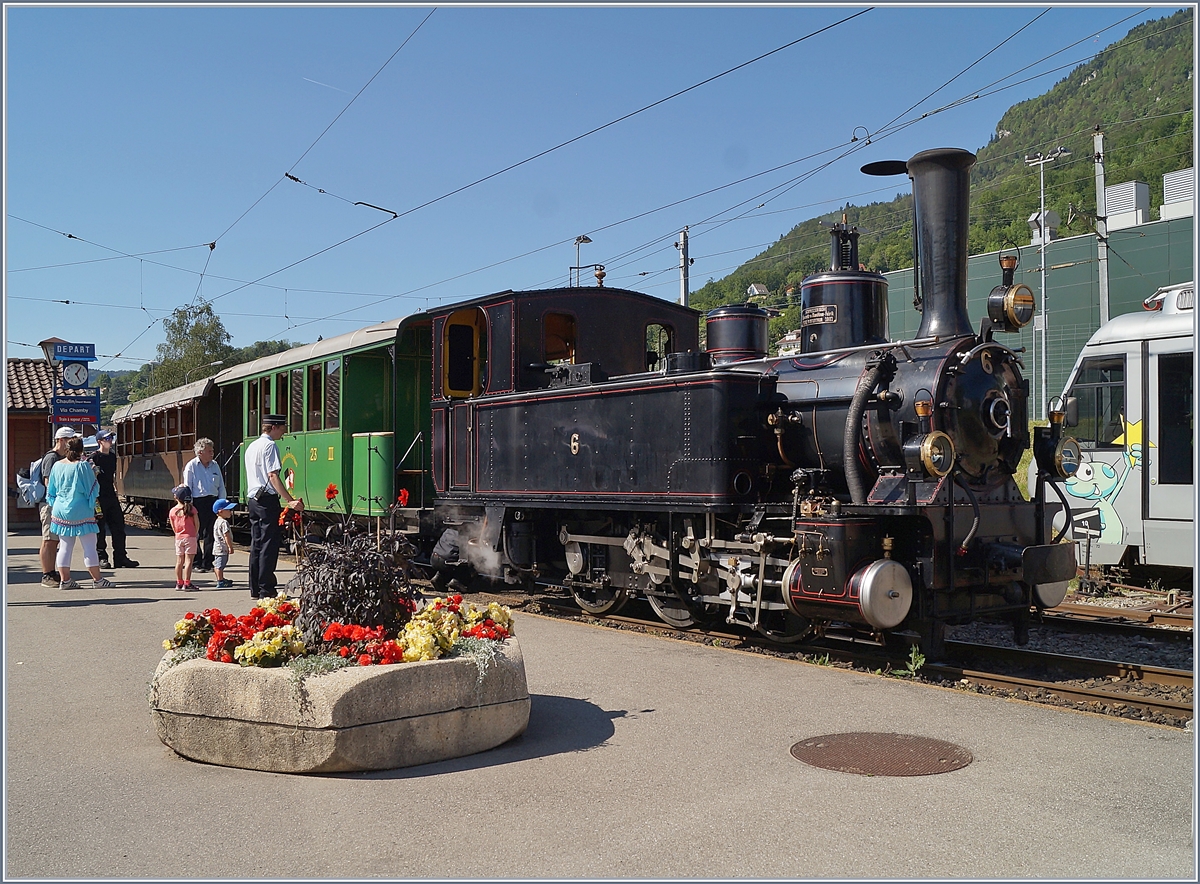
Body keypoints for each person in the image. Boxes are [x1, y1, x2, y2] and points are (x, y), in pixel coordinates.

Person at [244, 415, 304, 600]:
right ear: (274, 427)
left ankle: (255, 588)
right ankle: (266, 588)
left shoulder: (252, 446)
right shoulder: (270, 446)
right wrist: (290, 500)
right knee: (269, 545)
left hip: (253, 499)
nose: (284, 431)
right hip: (267, 499)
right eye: (283, 427)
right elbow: (273, 476)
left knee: (257, 543)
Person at [46, 435, 116, 590]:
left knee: (64, 546)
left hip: (60, 510)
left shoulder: (57, 465)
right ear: (81, 450)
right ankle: (98, 580)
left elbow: (51, 489)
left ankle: (65, 581)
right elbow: (93, 488)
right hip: (81, 509)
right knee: (90, 546)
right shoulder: (83, 466)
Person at [91, 429, 139, 569]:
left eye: (111, 438)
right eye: (107, 439)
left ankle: (121, 557)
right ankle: (101, 558)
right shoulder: (94, 457)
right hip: (98, 498)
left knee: (118, 527)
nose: (110, 441)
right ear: (99, 441)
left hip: (111, 496)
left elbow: (112, 476)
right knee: (100, 529)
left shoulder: (112, 456)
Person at [38, 426, 76, 587]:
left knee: (55, 540)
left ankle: (52, 573)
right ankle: (47, 575)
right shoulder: (52, 458)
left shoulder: (60, 458)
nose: (72, 443)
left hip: (57, 503)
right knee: (49, 540)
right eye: (69, 440)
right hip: (49, 504)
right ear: (61, 440)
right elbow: (48, 482)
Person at [182, 437, 226, 573]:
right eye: (209, 451)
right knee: (196, 533)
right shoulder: (192, 466)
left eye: (212, 451)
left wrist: (222, 503)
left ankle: (208, 562)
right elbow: (187, 486)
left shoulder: (215, 465)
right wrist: (188, 505)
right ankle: (196, 562)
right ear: (200, 452)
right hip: (198, 502)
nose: (212, 453)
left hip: (212, 502)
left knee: (211, 533)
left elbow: (221, 486)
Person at [169, 485, 200, 591]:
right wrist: (194, 534)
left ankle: (179, 582)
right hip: (190, 537)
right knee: (188, 562)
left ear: (176, 497)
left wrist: (178, 534)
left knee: (179, 561)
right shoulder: (192, 509)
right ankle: (187, 583)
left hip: (178, 538)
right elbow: (197, 524)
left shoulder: (173, 511)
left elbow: (173, 526)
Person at [211, 498, 237, 589]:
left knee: (218, 565)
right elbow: (227, 536)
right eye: (228, 510)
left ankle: (220, 579)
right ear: (221, 511)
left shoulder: (217, 521)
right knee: (220, 566)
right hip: (222, 548)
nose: (230, 511)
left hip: (217, 547)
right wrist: (230, 547)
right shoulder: (224, 522)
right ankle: (220, 581)